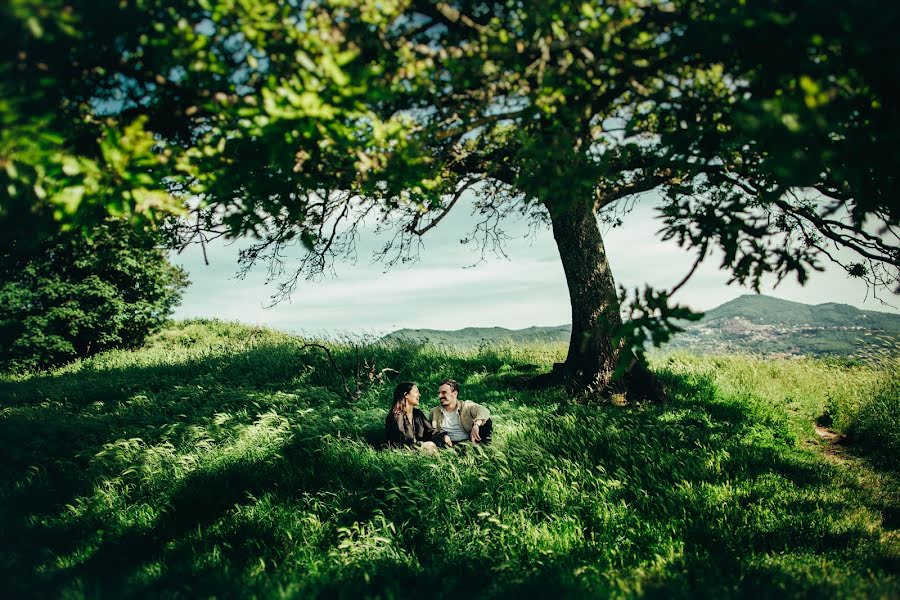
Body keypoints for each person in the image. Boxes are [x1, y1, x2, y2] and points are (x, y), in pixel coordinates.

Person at [384, 382, 450, 450]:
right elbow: (400, 441)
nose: (419, 395)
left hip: (418, 449)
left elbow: (430, 431)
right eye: (416, 392)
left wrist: (443, 437)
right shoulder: (396, 416)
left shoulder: (417, 414)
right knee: (430, 445)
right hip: (403, 451)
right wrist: (421, 445)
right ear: (406, 395)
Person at [430, 378, 493, 446]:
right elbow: (426, 426)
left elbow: (484, 410)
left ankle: (483, 447)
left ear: (454, 394)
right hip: (446, 444)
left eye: (444, 392)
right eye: (439, 393)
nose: (440, 396)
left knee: (486, 421)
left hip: (468, 442)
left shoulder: (466, 406)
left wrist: (476, 425)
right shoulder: (435, 411)